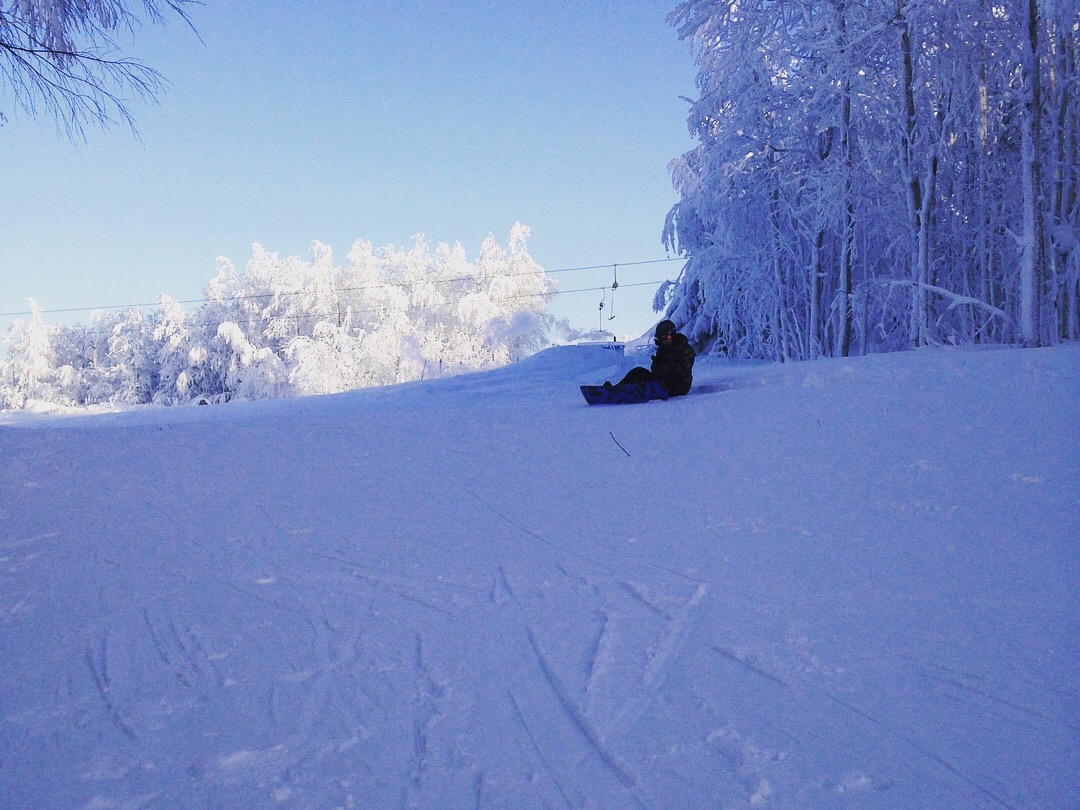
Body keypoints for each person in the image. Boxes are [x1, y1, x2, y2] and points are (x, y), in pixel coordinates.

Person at [609, 320, 695, 397]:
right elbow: (656, 370)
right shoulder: (663, 348)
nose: (665, 341)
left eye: (667, 338)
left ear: (673, 335)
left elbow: (681, 372)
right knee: (638, 372)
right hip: (662, 383)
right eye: (662, 339)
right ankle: (614, 390)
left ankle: (626, 393)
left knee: (643, 386)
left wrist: (664, 366)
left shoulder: (684, 349)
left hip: (677, 387)